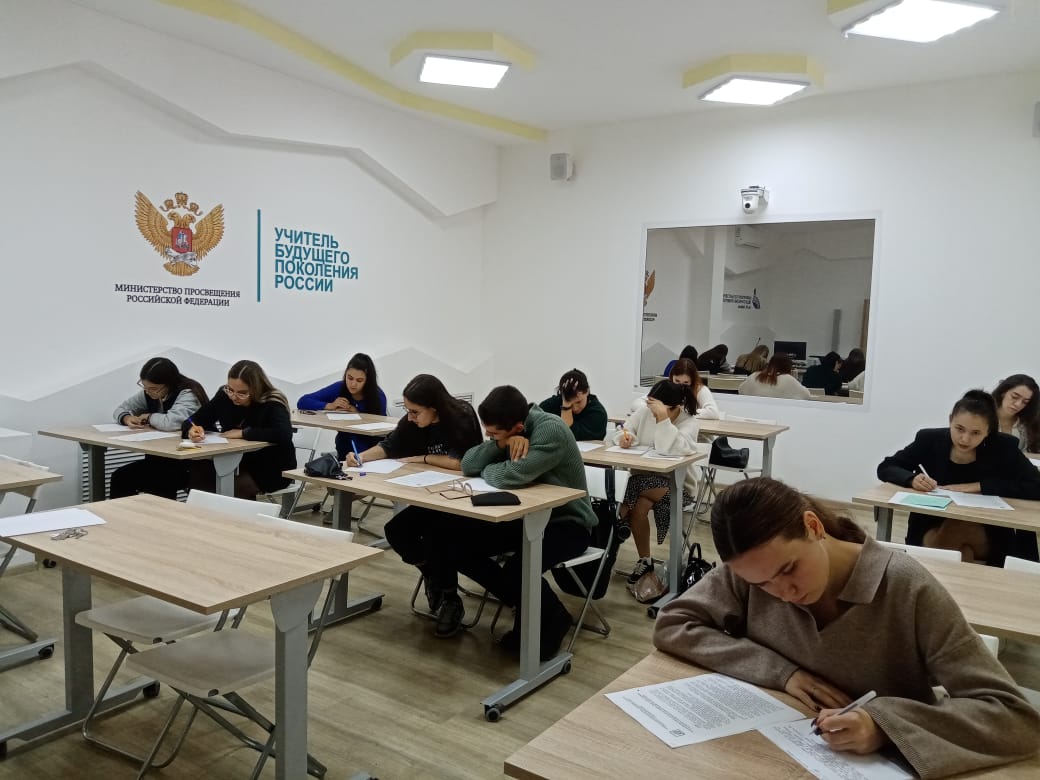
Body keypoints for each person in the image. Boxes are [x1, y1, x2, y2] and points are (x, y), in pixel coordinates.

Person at [653, 477, 1040, 780]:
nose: (783, 593)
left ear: (813, 526)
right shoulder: (754, 571)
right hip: (768, 757)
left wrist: (884, 727)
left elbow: (1014, 718)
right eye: (762, 584)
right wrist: (782, 673)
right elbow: (674, 623)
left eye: (789, 570)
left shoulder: (905, 587)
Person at [439, 385, 595, 659]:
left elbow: (510, 476)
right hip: (525, 516)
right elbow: (468, 464)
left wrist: (490, 468)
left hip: (568, 522)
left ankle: (550, 619)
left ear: (518, 427)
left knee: (518, 571)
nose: (490, 437)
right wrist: (500, 444)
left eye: (494, 434)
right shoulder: (509, 429)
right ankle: (536, 608)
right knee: (456, 547)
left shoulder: (550, 430)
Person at [345, 374, 482, 637]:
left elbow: (463, 463)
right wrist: (360, 458)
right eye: (408, 410)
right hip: (429, 494)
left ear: (434, 407)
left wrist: (423, 458)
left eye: (415, 412)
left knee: (436, 535)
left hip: (461, 498)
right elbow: (389, 445)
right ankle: (432, 576)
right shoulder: (412, 421)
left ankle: (450, 599)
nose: (410, 417)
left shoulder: (461, 416)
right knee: (396, 531)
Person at [876, 389, 1040, 564]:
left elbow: (1036, 485)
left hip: (988, 530)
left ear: (988, 431)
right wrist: (911, 479)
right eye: (959, 429)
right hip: (930, 523)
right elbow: (887, 467)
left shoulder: (1003, 447)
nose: (965, 439)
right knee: (962, 553)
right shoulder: (929, 439)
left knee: (957, 527)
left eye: (976, 433)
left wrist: (980, 486)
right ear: (950, 420)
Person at [615, 380, 698, 583]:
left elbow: (671, 449)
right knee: (639, 506)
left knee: (633, 485)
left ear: (674, 407)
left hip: (677, 488)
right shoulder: (645, 412)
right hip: (644, 484)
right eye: (652, 408)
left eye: (657, 410)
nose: (652, 414)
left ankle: (616, 521)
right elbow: (624, 429)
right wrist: (626, 438)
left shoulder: (689, 422)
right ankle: (645, 561)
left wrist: (663, 420)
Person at [182, 360, 296, 499]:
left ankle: (233, 513)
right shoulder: (225, 395)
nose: (234, 397)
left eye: (242, 393)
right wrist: (191, 430)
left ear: (255, 389)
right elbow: (193, 420)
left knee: (232, 488)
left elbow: (283, 434)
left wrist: (244, 433)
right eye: (230, 390)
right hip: (233, 460)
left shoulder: (272, 402)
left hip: (270, 466)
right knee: (198, 476)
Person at [109, 357, 208, 499]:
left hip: (188, 462)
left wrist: (148, 417)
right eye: (144, 387)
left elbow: (171, 423)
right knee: (120, 478)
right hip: (160, 458)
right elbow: (121, 408)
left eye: (153, 388)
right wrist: (126, 418)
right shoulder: (150, 392)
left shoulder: (188, 393)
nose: (148, 392)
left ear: (169, 383)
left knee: (156, 483)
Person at [297, 353, 388, 458]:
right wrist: (329, 405)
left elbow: (380, 431)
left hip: (371, 451)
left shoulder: (378, 396)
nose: (353, 384)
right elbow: (303, 401)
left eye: (359, 380)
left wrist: (358, 414)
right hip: (344, 448)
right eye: (350, 378)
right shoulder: (340, 387)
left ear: (368, 381)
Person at [538, 368, 608, 440]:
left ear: (587, 391)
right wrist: (566, 403)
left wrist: (566, 408)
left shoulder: (598, 413)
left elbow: (567, 436)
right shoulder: (548, 406)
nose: (575, 408)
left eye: (578, 402)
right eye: (569, 402)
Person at [992, 373, 1040, 452]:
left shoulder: (1027, 424)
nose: (1018, 404)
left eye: (1025, 402)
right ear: (1003, 392)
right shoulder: (981, 416)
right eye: (1014, 397)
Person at [738, 355, 811, 400]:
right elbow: (806, 395)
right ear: (788, 367)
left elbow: (741, 390)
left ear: (769, 364)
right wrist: (795, 379)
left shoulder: (755, 376)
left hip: (754, 415)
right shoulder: (788, 379)